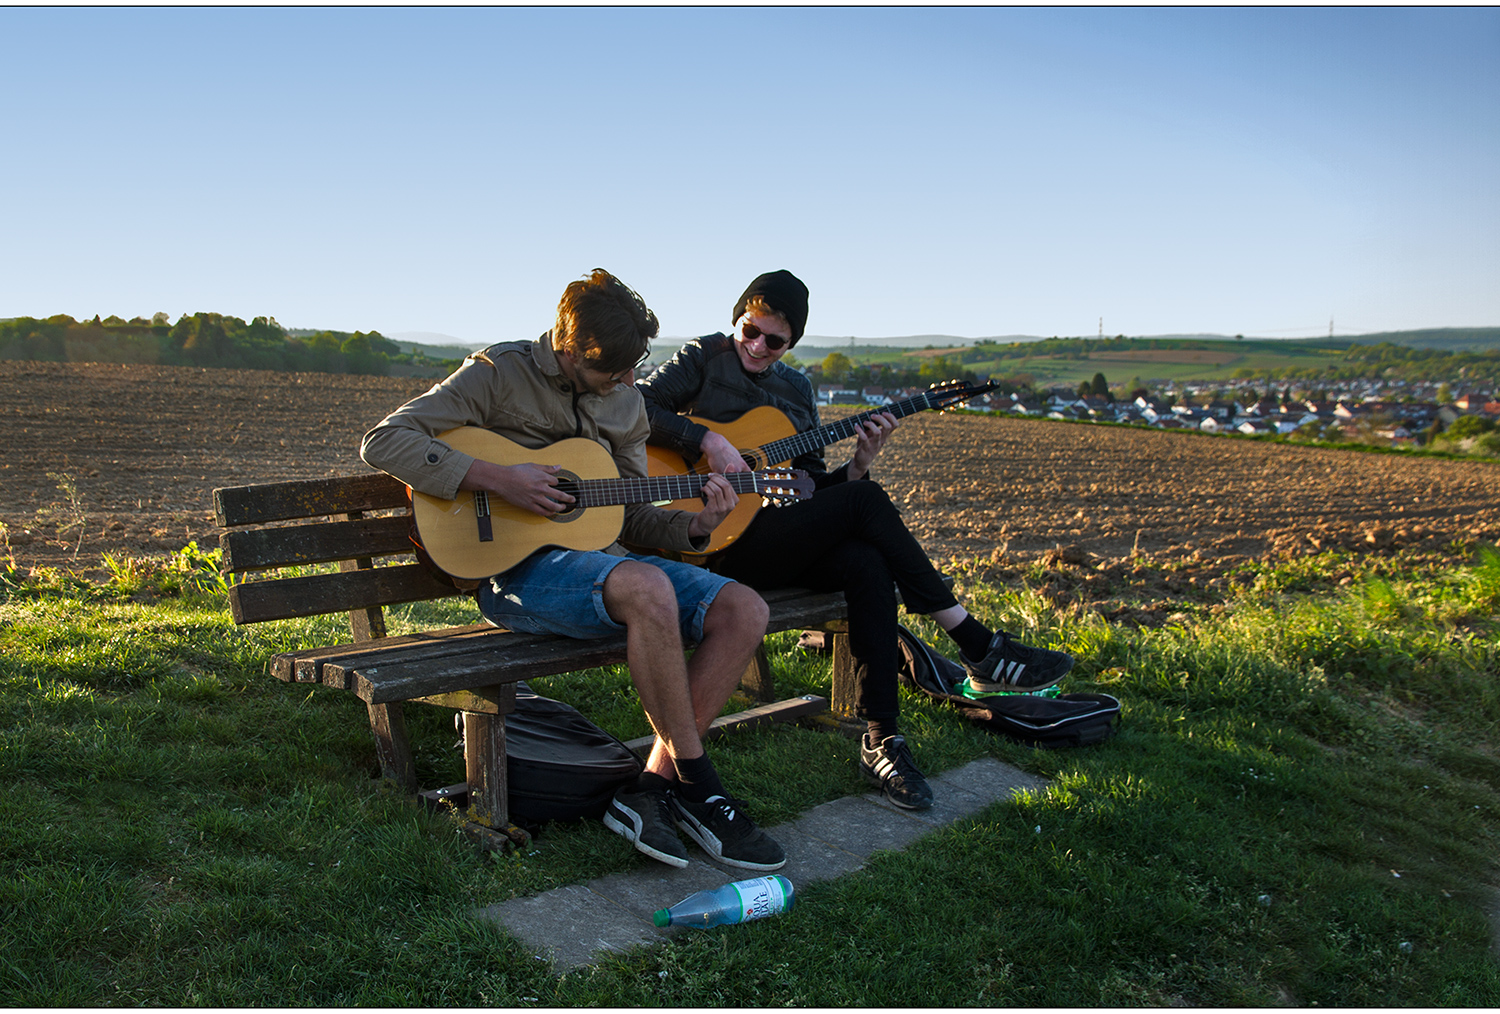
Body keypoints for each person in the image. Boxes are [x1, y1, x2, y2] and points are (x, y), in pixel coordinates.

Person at [360, 269, 784, 872]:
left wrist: (694, 526)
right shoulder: (497, 374)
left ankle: (651, 790)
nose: (628, 383)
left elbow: (633, 515)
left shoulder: (626, 400)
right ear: (567, 348)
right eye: (612, 372)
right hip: (512, 573)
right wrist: (498, 477)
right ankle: (701, 787)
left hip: (604, 569)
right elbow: (384, 439)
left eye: (634, 368)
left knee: (746, 608)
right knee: (648, 585)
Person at [637, 269, 1074, 811]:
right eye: (749, 330)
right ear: (737, 320)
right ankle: (978, 646)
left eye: (774, 340)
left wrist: (859, 465)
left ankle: (881, 737)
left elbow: (811, 489)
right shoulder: (704, 357)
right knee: (867, 506)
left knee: (865, 560)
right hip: (700, 538)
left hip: (765, 538)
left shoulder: (796, 391)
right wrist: (708, 439)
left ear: (791, 342)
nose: (757, 346)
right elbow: (635, 408)